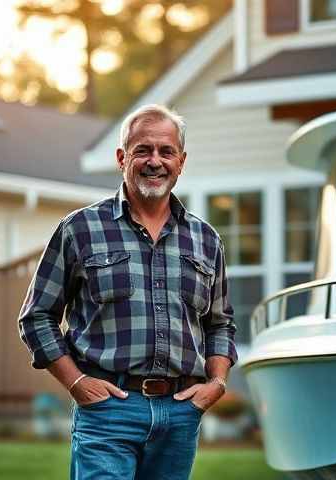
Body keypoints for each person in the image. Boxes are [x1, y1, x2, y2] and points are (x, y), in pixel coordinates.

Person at [18, 104, 237, 480]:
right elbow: (37, 316)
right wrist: (76, 382)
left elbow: (220, 323)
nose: (155, 161)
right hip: (108, 410)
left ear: (181, 162)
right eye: (143, 150)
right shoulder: (79, 229)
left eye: (166, 151)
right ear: (122, 157)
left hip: (180, 415)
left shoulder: (205, 239)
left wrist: (216, 384)